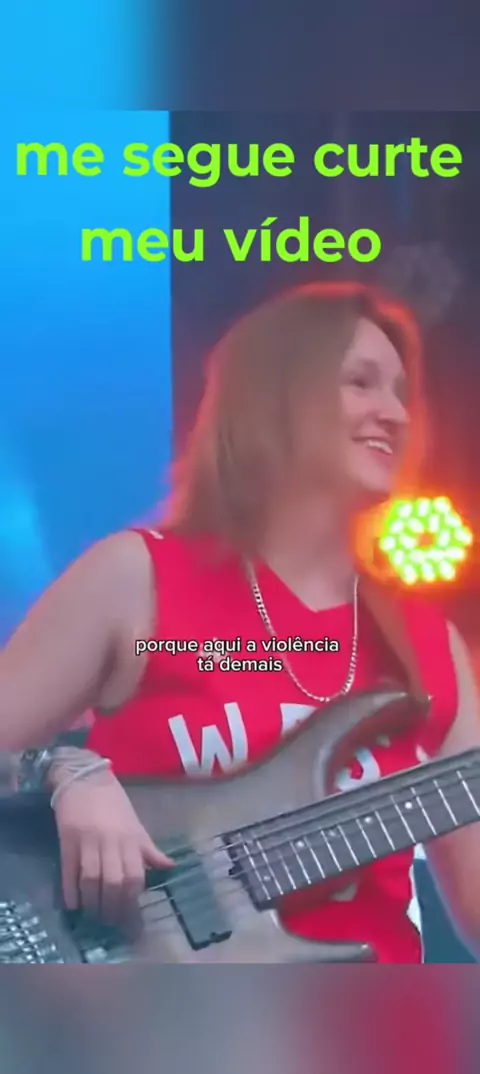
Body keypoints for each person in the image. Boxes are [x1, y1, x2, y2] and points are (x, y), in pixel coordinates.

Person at [1, 281, 479, 963]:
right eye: (361, 382)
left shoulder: (431, 648)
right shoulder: (139, 579)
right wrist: (64, 771)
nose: (395, 413)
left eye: (402, 392)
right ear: (274, 398)